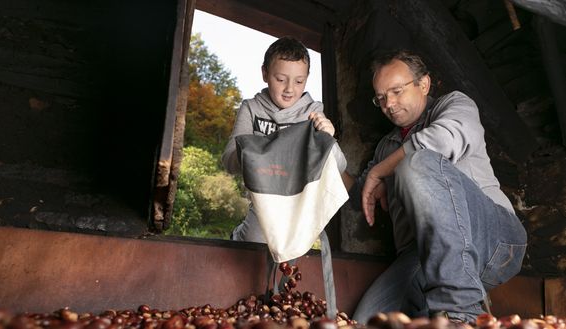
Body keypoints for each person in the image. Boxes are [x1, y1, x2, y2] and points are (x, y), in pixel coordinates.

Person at [344, 50, 527, 323]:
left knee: (415, 162)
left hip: (494, 237)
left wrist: (383, 171)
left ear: (424, 84)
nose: (389, 104)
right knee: (368, 321)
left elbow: (443, 140)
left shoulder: (454, 104)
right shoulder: (386, 147)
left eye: (396, 91)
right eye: (381, 97)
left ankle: (458, 312)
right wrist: (326, 153)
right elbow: (361, 194)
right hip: (422, 255)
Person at [221, 36, 347, 243]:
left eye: (299, 81)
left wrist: (328, 139)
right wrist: (261, 150)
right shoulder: (252, 108)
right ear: (265, 73)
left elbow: (340, 167)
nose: (289, 89)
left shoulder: (313, 112)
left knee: (298, 251)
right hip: (264, 202)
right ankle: (239, 236)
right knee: (255, 241)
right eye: (280, 79)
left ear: (307, 78)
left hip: (300, 203)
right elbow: (229, 162)